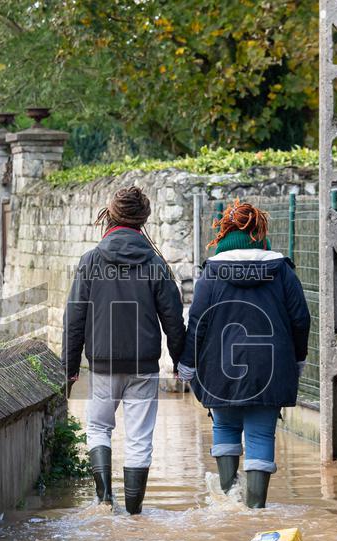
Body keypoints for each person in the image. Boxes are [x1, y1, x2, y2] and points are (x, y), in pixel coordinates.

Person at [177, 199, 311, 508]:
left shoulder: (211, 273)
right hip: (271, 368)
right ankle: (256, 512)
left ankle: (230, 504)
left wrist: (187, 363)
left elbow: (197, 322)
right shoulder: (282, 271)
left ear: (223, 235)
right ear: (261, 235)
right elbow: (301, 319)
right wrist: (297, 359)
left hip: (220, 370)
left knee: (224, 427)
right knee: (261, 435)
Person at [61, 186, 186, 514]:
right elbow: (173, 318)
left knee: (98, 427)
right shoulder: (155, 263)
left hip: (102, 364)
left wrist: (69, 369)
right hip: (144, 365)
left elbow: (74, 318)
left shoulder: (91, 261)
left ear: (111, 216)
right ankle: (134, 514)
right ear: (143, 219)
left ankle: (104, 500)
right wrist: (181, 361)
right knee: (139, 438)